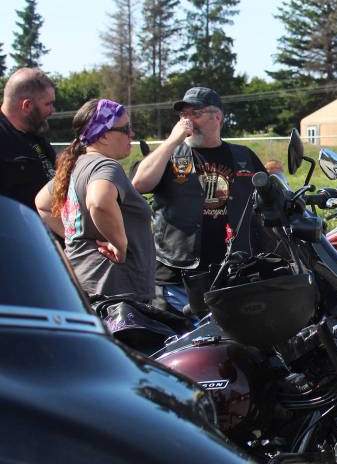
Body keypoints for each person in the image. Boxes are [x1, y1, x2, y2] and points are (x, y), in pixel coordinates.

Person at [131, 86, 265, 313]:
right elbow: (139, 184)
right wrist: (172, 142)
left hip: (232, 273)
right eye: (183, 115)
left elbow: (270, 198)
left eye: (196, 114)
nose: (188, 121)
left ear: (218, 116)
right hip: (178, 275)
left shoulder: (244, 156)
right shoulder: (169, 156)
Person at [35, 99, 155, 299]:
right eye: (126, 128)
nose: (131, 134)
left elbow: (42, 204)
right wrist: (119, 245)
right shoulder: (106, 166)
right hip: (117, 295)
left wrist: (76, 237)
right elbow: (99, 202)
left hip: (86, 287)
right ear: (104, 136)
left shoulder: (75, 166)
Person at [0, 68, 57, 208]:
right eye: (48, 104)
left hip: (45, 228)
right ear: (27, 105)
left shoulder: (36, 133)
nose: (52, 110)